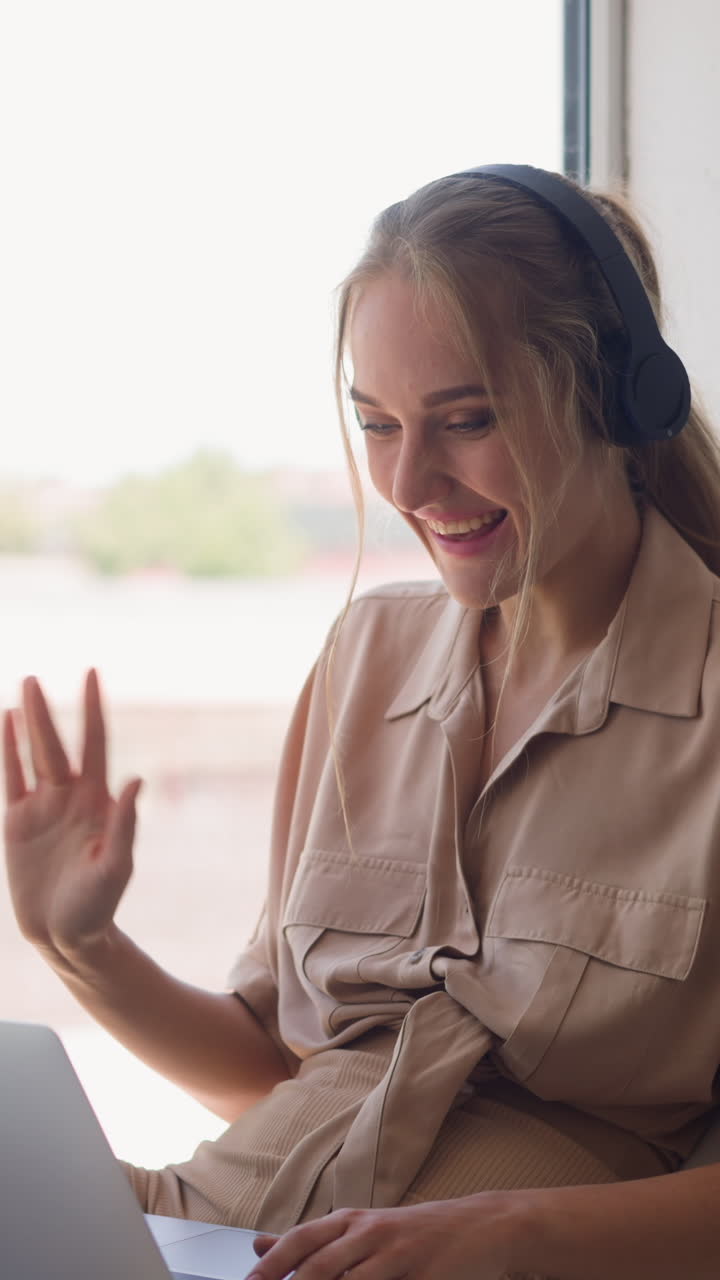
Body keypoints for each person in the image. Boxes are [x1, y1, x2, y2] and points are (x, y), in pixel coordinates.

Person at [4, 164, 720, 1280]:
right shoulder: (363, 660)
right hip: (223, 1232)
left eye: (465, 418)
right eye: (376, 424)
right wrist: (80, 945)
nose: (410, 479)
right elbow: (286, 1069)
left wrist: (518, 1229)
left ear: (621, 395)